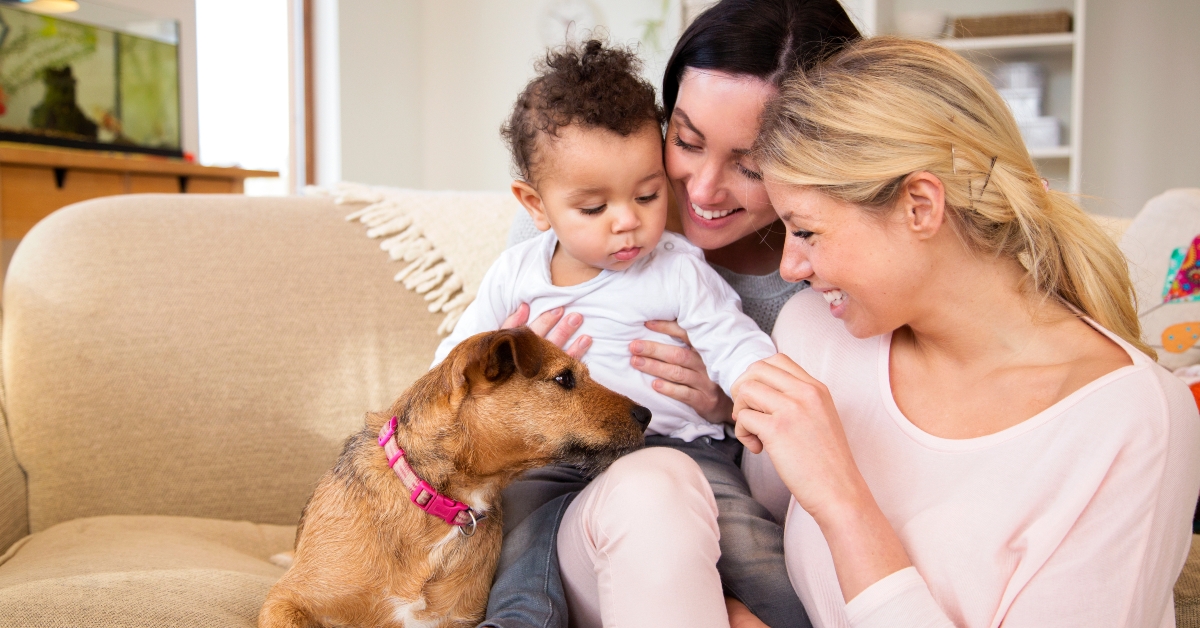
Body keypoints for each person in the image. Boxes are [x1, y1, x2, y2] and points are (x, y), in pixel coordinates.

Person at [731, 36, 1200, 627]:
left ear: (920, 205)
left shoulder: (1130, 421)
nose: (790, 269)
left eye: (806, 232)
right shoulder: (814, 336)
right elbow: (757, 556)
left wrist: (844, 502)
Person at [488, 3, 860, 627]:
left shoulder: (818, 283)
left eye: (751, 166)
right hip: (575, 487)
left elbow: (799, 443)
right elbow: (463, 370)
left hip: (695, 467)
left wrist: (726, 403)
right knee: (528, 544)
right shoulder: (549, 243)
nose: (704, 190)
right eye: (685, 141)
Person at [437, 39, 800, 628]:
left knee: (753, 547)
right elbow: (448, 369)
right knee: (523, 548)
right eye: (592, 207)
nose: (627, 220)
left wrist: (750, 391)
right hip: (550, 458)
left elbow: (733, 342)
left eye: (648, 194)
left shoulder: (678, 269)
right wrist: (493, 363)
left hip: (682, 448)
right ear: (536, 205)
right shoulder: (518, 275)